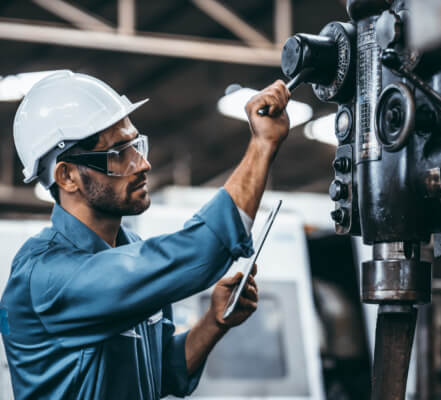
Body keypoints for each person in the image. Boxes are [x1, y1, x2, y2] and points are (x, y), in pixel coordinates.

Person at [0, 71, 290, 399]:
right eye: (118, 154)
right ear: (67, 176)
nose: (142, 164)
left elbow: (161, 371)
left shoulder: (129, 250)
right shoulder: (46, 275)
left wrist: (213, 322)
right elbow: (200, 250)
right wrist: (262, 145)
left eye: (136, 145)